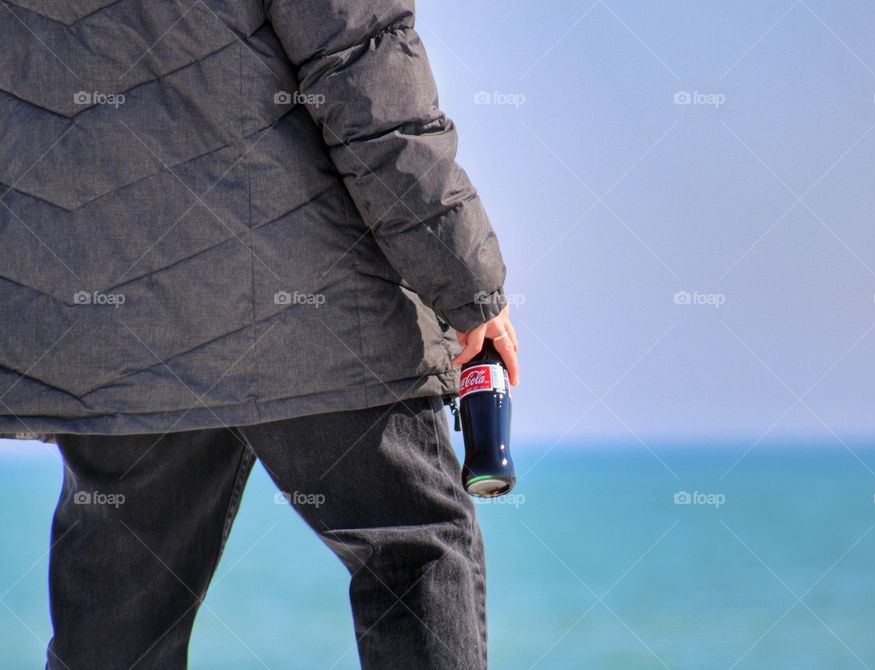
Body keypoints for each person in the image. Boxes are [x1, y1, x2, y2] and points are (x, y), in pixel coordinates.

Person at [0, 1, 518, 668]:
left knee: (116, 616)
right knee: (412, 552)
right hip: (325, 323)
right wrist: (470, 288)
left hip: (112, 330)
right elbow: (372, 87)